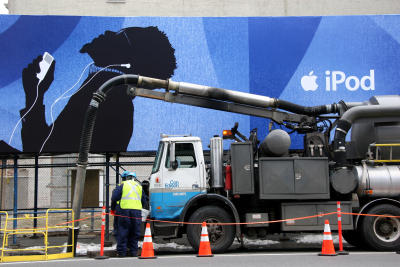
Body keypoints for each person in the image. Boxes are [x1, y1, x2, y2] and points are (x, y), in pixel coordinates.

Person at [19, 26, 177, 153]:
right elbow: (47, 147)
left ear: (127, 60)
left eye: (120, 35)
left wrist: (34, 93)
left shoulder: (110, 97)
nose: (108, 32)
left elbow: (41, 151)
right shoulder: (105, 89)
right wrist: (35, 92)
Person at [111, 170, 147, 257]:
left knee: (123, 231)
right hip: (136, 212)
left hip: (124, 210)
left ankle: (122, 252)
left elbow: (114, 197)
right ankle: (133, 252)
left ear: (124, 178)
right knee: (135, 232)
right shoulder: (139, 186)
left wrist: (113, 209)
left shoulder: (123, 185)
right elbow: (144, 201)